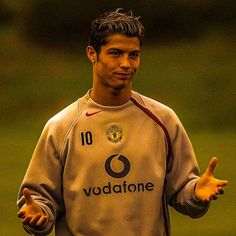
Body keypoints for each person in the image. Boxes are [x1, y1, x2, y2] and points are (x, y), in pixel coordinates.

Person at [17, 9, 228, 236]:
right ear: (92, 53)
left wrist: (196, 192)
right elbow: (39, 203)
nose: (126, 64)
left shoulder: (163, 120)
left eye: (134, 55)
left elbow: (183, 192)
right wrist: (37, 215)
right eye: (115, 53)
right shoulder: (61, 127)